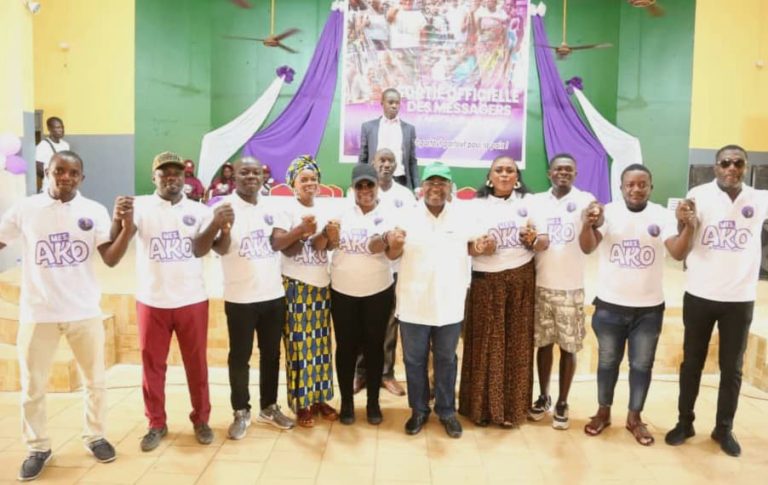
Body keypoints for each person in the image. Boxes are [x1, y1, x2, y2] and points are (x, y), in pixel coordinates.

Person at [0, 151, 133, 481]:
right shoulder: (26, 208)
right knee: (33, 386)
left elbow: (110, 258)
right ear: (47, 172)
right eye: (59, 171)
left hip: (83, 310)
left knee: (95, 381)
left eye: (73, 173)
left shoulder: (94, 210)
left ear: (82, 178)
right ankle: (38, 447)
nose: (66, 177)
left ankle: (95, 436)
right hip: (38, 312)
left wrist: (127, 228)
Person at [580, 164, 695, 446]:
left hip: (648, 310)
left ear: (651, 187)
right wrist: (586, 224)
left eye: (642, 184)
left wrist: (689, 226)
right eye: (630, 184)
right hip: (609, 307)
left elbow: (677, 253)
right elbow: (587, 247)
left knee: (641, 365)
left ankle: (634, 418)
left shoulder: (661, 215)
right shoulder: (609, 212)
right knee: (607, 362)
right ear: (621, 188)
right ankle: (603, 412)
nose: (636, 189)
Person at [665, 144, 767, 457]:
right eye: (725, 163)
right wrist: (683, 222)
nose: (731, 168)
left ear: (745, 167)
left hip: (740, 298)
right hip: (700, 294)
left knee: (732, 369)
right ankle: (685, 422)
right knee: (692, 363)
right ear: (715, 167)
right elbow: (682, 239)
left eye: (738, 163)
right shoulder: (698, 195)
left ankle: (723, 428)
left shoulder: (760, 198)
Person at [389, 161, 495, 439]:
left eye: (442, 183)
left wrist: (481, 246)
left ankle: (447, 411)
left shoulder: (463, 216)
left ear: (450, 187)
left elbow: (476, 245)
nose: (436, 188)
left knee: (446, 359)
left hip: (449, 303)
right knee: (414, 360)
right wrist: (394, 243)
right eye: (431, 182)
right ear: (422, 187)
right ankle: (419, 410)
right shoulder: (406, 215)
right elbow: (391, 253)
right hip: (413, 302)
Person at [193, 156, 295, 437]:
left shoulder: (274, 207)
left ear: (263, 177)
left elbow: (279, 244)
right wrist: (222, 227)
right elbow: (219, 249)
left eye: (255, 172)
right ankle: (241, 411)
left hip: (273, 294)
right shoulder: (222, 208)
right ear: (233, 177)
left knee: (272, 354)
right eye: (244, 172)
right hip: (240, 297)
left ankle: (269, 407)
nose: (251, 177)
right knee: (240, 357)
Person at [130, 151, 215, 451]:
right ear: (153, 177)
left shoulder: (200, 211)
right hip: (152, 300)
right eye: (164, 173)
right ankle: (156, 422)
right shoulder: (139, 206)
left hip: (192, 299)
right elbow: (121, 237)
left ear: (184, 178)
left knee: (197, 364)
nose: (171, 178)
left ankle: (201, 419)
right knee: (152, 366)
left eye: (176, 173)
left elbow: (207, 248)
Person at [459, 155, 547, 428]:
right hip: (486, 283)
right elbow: (465, 246)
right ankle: (481, 410)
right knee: (485, 345)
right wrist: (479, 247)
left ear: (517, 177)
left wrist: (534, 239)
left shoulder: (529, 203)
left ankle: (511, 410)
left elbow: (544, 241)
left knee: (517, 346)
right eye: (499, 170)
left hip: (520, 281)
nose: (505, 174)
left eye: (510, 170)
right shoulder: (475, 205)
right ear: (490, 176)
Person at [528, 154, 595, 430]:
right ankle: (544, 395)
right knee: (543, 345)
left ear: (575, 174)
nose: (563, 173)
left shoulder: (585, 201)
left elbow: (590, 243)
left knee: (568, 348)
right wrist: (534, 241)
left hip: (571, 289)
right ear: (549, 173)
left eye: (569, 169)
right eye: (558, 169)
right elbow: (529, 238)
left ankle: (563, 401)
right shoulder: (535, 202)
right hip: (541, 286)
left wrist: (592, 220)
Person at [271, 156, 339, 427]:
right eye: (304, 179)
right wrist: (302, 230)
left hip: (321, 286)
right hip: (296, 286)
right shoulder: (285, 209)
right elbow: (281, 245)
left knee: (321, 346)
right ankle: (302, 404)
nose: (310, 183)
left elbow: (324, 247)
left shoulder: (325, 207)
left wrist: (327, 234)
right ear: (293, 184)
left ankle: (320, 398)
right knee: (298, 348)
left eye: (313, 179)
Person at [330, 163, 397, 425]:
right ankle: (347, 401)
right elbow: (326, 243)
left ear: (378, 186)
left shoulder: (389, 213)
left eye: (370, 184)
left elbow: (390, 250)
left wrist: (386, 240)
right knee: (346, 347)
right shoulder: (339, 212)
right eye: (360, 185)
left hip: (378, 290)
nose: (366, 189)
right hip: (342, 290)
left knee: (374, 347)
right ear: (353, 188)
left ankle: (373, 403)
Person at [353, 148, 415, 397]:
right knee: (361, 324)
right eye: (382, 160)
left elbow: (411, 228)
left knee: (389, 325)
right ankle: (361, 373)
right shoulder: (358, 191)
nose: (386, 165)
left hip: (396, 269)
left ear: (397, 165)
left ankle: (386, 374)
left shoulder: (405, 195)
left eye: (391, 161)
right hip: (364, 269)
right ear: (373, 163)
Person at [358, 88, 420, 190]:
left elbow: (412, 161)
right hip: (375, 181)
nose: (394, 106)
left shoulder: (409, 129)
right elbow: (363, 159)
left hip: (401, 181)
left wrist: (417, 187)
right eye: (390, 102)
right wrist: (359, 181)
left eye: (397, 103)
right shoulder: (368, 127)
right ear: (382, 103)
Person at [35, 117, 69, 193]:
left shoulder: (65, 145)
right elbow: (37, 167)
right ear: (49, 129)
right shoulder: (43, 146)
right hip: (49, 188)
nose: (61, 130)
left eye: (62, 127)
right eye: (57, 127)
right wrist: (51, 177)